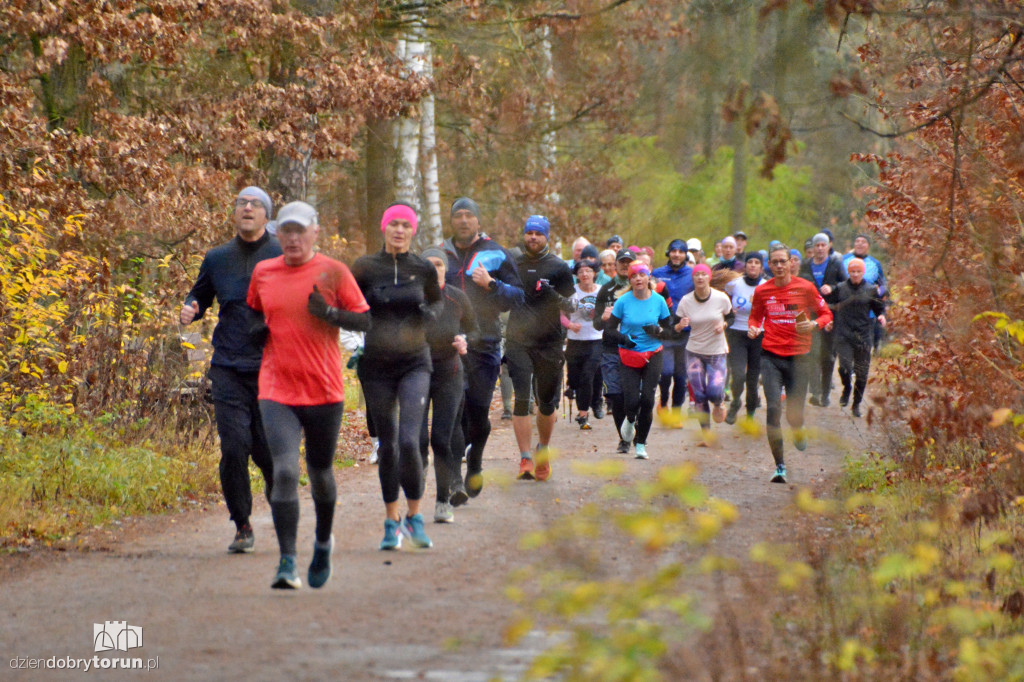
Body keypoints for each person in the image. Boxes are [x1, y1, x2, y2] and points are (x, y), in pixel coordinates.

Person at [247, 200, 371, 589]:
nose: (293, 238)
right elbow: (253, 310)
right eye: (286, 230)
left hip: (324, 390)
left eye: (300, 230)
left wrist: (331, 315)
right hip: (276, 388)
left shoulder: (334, 271)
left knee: (319, 473)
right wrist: (255, 330)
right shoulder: (263, 271)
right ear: (277, 234)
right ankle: (287, 562)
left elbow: (365, 319)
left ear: (315, 231)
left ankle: (322, 542)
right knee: (284, 472)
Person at [181, 186, 281, 555]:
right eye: (242, 203)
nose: (248, 208)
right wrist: (191, 307)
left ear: (267, 215)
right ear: (234, 212)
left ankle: (278, 489)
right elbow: (200, 296)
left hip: (272, 366)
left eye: (256, 204)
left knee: (267, 450)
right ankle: (242, 525)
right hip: (227, 366)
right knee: (234, 447)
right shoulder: (218, 257)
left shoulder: (281, 253)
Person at [354, 203, 443, 551]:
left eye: (406, 225)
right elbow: (348, 302)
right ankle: (391, 522)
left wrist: (429, 315)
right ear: (384, 228)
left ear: (413, 231)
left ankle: (415, 517)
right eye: (394, 223)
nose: (400, 230)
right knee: (388, 445)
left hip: (414, 363)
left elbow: (437, 303)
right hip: (376, 365)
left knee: (410, 442)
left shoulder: (422, 268)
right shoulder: (365, 267)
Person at [441, 198, 524, 497]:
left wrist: (492, 284)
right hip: (448, 344)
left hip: (485, 342)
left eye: (469, 216)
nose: (463, 221)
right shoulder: (441, 254)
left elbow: (518, 297)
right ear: (451, 221)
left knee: (476, 412)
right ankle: (452, 479)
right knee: (452, 411)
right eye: (458, 216)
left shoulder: (496, 253)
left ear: (478, 220)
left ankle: (474, 459)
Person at [748, 244, 833, 484]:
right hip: (771, 355)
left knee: (794, 414)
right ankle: (780, 466)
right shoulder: (763, 291)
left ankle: (798, 427)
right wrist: (754, 327)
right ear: (769, 265)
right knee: (773, 408)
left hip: (799, 357)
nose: (778, 266)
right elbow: (756, 316)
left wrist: (815, 325)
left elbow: (826, 314)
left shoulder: (805, 287)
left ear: (791, 262)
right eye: (774, 262)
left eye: (782, 261)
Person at [506, 215, 576, 480]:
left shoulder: (558, 267)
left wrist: (553, 296)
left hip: (549, 342)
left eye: (538, 233)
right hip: (518, 339)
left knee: (546, 404)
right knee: (522, 398)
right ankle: (525, 458)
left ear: (546, 237)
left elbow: (572, 306)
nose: (532, 237)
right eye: (529, 233)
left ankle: (542, 451)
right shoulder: (513, 263)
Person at [418, 247, 479, 523]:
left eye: (439, 265)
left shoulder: (457, 298)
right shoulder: (413, 300)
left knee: (441, 438)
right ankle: (416, 484)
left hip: (449, 372)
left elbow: (474, 329)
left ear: (445, 269)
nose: (434, 269)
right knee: (416, 439)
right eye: (428, 265)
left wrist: (466, 340)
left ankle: (443, 500)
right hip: (416, 373)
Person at [605, 261, 672, 459]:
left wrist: (658, 331)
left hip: (653, 353)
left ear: (648, 277)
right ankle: (630, 420)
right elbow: (609, 330)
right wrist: (625, 339)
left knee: (648, 399)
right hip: (628, 354)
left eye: (641, 275)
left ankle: (641, 444)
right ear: (630, 280)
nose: (638, 279)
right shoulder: (623, 301)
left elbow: (669, 330)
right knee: (632, 400)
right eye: (634, 276)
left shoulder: (659, 300)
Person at [675, 264, 733, 443]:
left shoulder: (720, 298)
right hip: (694, 352)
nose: (700, 278)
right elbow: (676, 326)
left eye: (703, 275)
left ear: (709, 278)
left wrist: (723, 325)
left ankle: (719, 402)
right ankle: (706, 433)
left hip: (716, 351)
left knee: (715, 391)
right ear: (693, 279)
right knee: (699, 395)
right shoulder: (686, 301)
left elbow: (730, 317)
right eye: (696, 275)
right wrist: (680, 325)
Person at [825, 258, 886, 417]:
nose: (855, 274)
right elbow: (828, 304)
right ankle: (846, 388)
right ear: (849, 272)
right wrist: (828, 317)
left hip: (864, 334)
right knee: (844, 367)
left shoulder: (871, 289)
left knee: (862, 373)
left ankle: (856, 404)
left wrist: (881, 317)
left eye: (858, 271)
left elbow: (879, 308)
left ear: (863, 272)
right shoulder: (841, 288)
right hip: (844, 333)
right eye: (853, 271)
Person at [594, 248, 637, 453]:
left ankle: (637, 428)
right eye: (621, 262)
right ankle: (624, 438)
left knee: (633, 396)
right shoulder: (606, 290)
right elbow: (596, 324)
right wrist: (602, 318)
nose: (624, 265)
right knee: (616, 396)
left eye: (629, 262)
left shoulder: (642, 288)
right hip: (611, 350)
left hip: (637, 349)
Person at [799, 232, 847, 407]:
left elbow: (846, 284)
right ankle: (815, 391)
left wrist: (832, 287)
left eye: (823, 245)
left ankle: (825, 393)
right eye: (817, 245)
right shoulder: (806, 265)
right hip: (811, 315)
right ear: (812, 248)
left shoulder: (835, 263)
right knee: (812, 352)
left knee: (827, 355)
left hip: (831, 314)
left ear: (828, 247)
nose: (819, 248)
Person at [651, 239, 694, 416]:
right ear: (668, 253)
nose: (677, 254)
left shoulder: (692, 275)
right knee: (666, 371)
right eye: (674, 251)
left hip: (686, 331)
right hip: (665, 330)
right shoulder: (658, 274)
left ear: (686, 254)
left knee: (681, 374)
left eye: (681, 251)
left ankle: (676, 411)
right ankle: (663, 401)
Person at [723, 252, 766, 424]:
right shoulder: (734, 285)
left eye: (757, 262)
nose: (753, 265)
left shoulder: (766, 286)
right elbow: (722, 298)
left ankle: (750, 414)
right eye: (750, 262)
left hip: (759, 335)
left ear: (761, 267)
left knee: (753, 378)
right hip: (737, 333)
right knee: (739, 374)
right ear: (745, 266)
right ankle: (735, 402)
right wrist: (727, 312)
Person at [565, 258, 603, 430]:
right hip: (574, 341)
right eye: (581, 272)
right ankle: (580, 398)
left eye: (588, 270)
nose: (585, 274)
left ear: (594, 273)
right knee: (575, 379)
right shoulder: (571, 292)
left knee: (587, 376)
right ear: (576, 275)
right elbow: (560, 314)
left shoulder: (603, 292)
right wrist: (570, 325)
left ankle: (583, 415)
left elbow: (612, 312)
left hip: (596, 339)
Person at [841, 234, 888, 350]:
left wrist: (880, 294)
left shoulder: (875, 264)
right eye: (857, 241)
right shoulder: (843, 260)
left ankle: (861, 364)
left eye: (863, 242)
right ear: (854, 244)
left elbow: (883, 285)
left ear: (868, 246)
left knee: (863, 345)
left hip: (867, 311)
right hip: (846, 309)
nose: (860, 244)